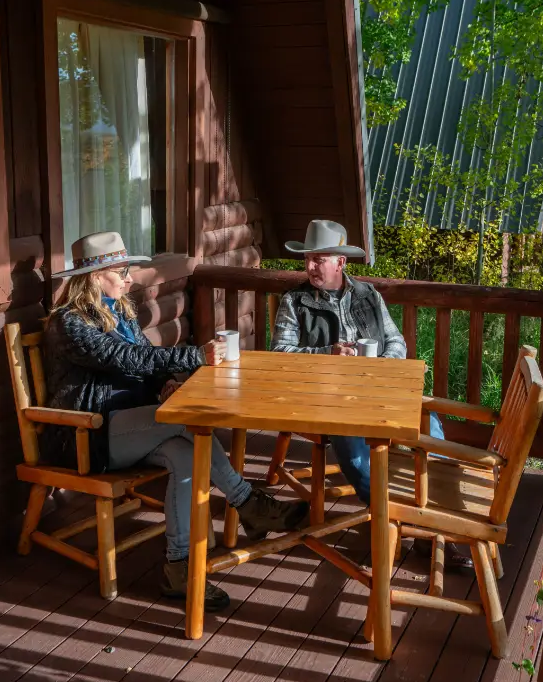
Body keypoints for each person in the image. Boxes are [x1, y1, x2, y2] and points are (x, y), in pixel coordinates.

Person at [43, 231, 309, 612]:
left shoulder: (117, 311)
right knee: (189, 421)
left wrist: (165, 382)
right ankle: (248, 502)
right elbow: (125, 358)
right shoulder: (69, 323)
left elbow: (144, 360)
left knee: (186, 456)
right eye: (122, 271)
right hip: (88, 434)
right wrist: (195, 357)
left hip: (127, 427)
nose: (129, 278)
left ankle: (178, 568)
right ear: (95, 276)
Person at [270, 218, 473, 570]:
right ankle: (407, 524)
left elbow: (397, 340)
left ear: (340, 262)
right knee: (356, 455)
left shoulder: (368, 295)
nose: (311, 266)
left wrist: (380, 364)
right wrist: (328, 354)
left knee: (430, 428)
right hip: (330, 398)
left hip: (378, 388)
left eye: (319, 259)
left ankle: (431, 520)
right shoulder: (295, 301)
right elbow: (279, 357)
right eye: (308, 259)